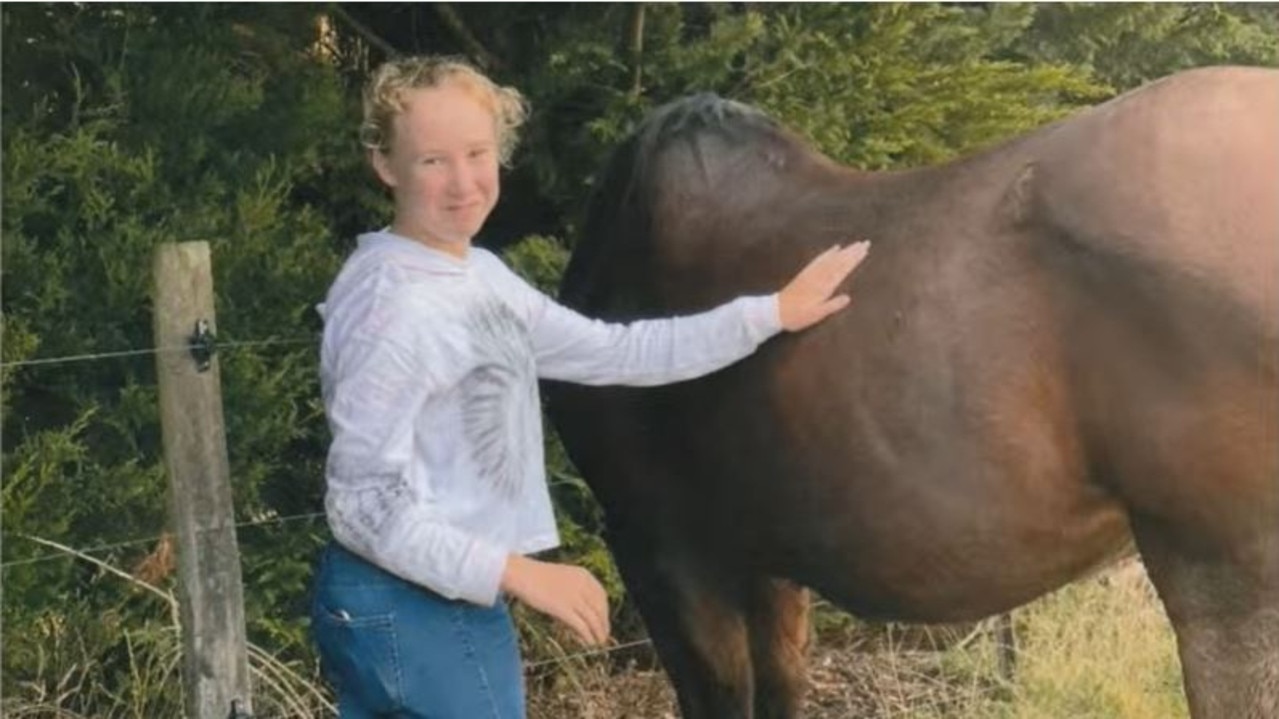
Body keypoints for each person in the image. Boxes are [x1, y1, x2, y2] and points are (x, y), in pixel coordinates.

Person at [310, 54, 871, 719]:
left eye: (477, 152)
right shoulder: (395, 304)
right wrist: (520, 571)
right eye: (432, 161)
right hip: (413, 605)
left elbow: (616, 349)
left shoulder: (474, 275)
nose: (462, 181)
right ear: (384, 164)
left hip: (433, 598)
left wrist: (770, 313)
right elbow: (363, 503)